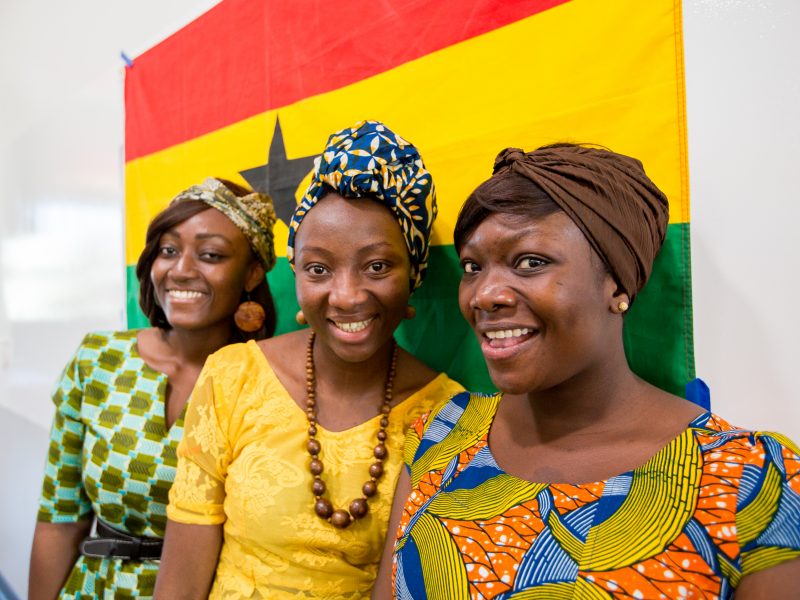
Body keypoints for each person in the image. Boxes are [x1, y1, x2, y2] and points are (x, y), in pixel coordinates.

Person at [374, 144, 800, 599]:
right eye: (473, 267)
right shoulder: (440, 436)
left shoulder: (750, 480)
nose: (484, 295)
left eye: (530, 262)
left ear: (616, 282)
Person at [154, 121, 464, 599]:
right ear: (296, 275)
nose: (346, 296)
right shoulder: (233, 375)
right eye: (319, 269)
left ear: (413, 274)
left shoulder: (448, 415)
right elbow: (179, 584)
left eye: (377, 266)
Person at [29, 178, 278, 599]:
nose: (180, 269)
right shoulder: (98, 360)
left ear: (252, 271)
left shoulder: (271, 380)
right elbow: (59, 521)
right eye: (168, 250)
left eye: (211, 254)